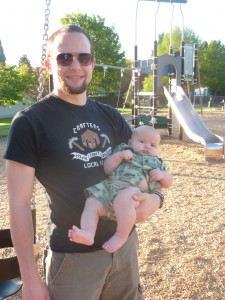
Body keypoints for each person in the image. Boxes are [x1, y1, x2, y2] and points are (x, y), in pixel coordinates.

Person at [4, 24, 170, 300]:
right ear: (48, 64)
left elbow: (146, 162)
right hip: (73, 258)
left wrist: (156, 198)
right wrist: (29, 278)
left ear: (93, 63)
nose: (75, 65)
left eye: (84, 57)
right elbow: (19, 204)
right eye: (64, 57)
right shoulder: (30, 122)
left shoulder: (110, 116)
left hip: (123, 247)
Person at [68, 125, 172, 253]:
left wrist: (162, 175)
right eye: (142, 141)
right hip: (111, 188)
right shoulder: (122, 150)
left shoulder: (157, 162)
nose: (147, 146)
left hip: (134, 191)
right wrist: (119, 156)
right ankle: (88, 232)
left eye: (153, 145)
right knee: (92, 202)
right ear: (130, 142)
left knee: (125, 198)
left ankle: (120, 236)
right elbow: (107, 168)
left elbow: (168, 183)